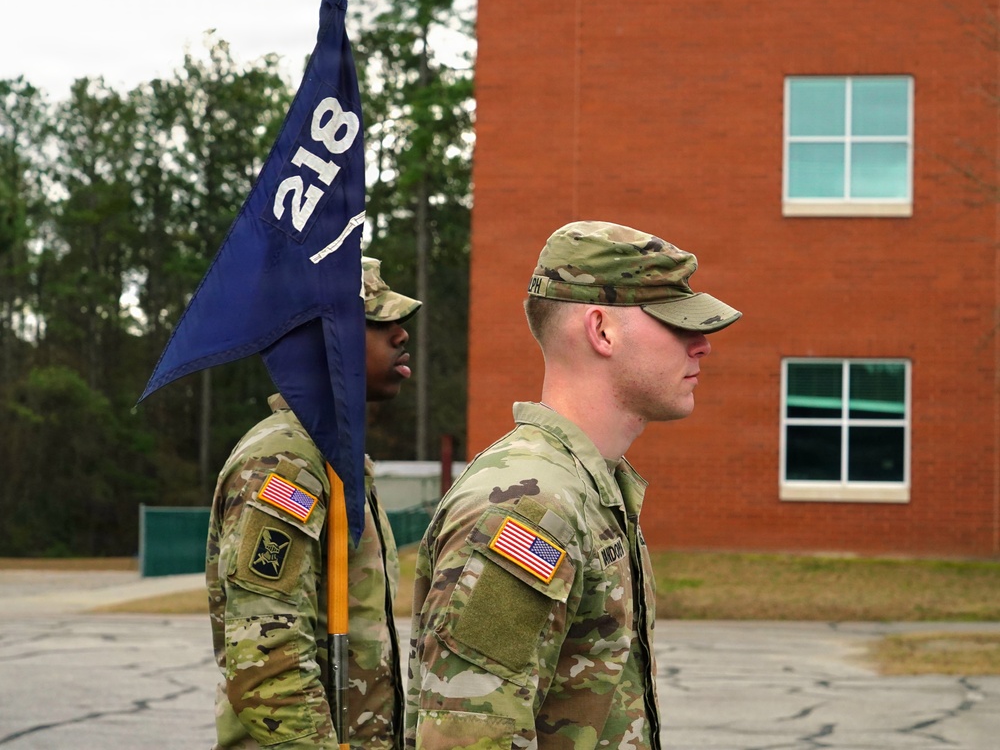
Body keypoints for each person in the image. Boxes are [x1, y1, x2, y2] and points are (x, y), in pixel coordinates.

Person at [404, 220, 741, 750]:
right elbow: (469, 736)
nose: (702, 346)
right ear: (601, 329)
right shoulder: (531, 505)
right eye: (677, 325)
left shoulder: (588, 488)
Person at [207, 256, 420, 750]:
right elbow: (268, 661)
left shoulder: (332, 457)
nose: (400, 335)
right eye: (374, 321)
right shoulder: (285, 460)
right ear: (319, 339)